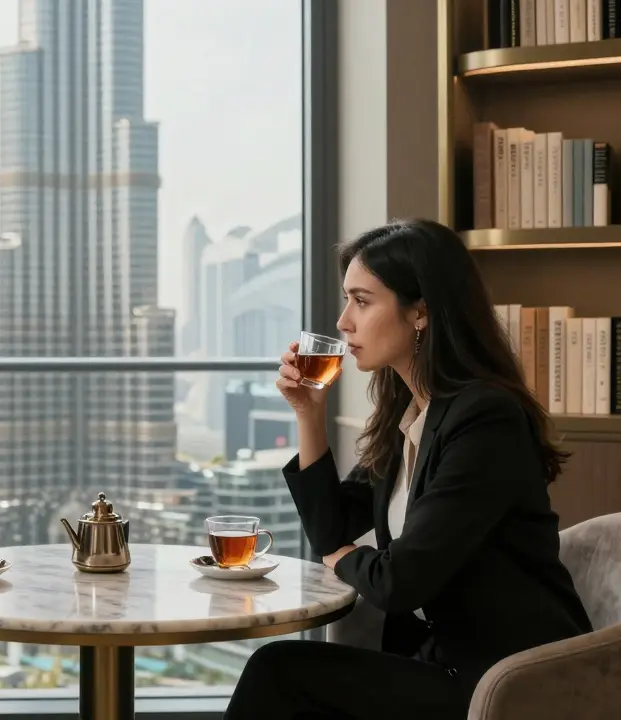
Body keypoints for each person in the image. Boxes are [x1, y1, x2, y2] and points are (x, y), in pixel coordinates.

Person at [225, 219, 592, 719]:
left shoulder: (485, 419)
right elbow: (330, 529)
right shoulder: (414, 414)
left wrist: (343, 557)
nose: (342, 321)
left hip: (507, 680)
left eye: (362, 300)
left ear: (420, 310)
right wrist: (308, 413)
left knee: (278, 671)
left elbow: (401, 583)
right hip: (441, 660)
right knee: (285, 673)